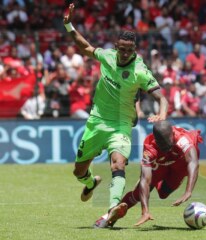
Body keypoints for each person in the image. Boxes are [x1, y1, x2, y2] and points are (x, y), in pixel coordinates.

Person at [63, 3, 168, 226]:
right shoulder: (107, 56)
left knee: (118, 164)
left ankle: (113, 208)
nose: (125, 53)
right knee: (79, 170)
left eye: (130, 50)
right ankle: (91, 182)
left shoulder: (140, 71)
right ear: (116, 46)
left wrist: (162, 114)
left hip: (121, 124)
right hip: (97, 122)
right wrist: (68, 24)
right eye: (122, 49)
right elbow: (84, 47)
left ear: (135, 49)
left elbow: (162, 97)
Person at [94, 121, 203, 228]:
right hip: (161, 163)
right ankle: (107, 217)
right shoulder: (150, 147)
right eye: (161, 143)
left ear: (173, 135)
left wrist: (188, 191)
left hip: (181, 163)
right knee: (140, 191)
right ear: (156, 139)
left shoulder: (183, 139)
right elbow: (145, 180)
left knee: (163, 194)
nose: (164, 146)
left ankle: (155, 180)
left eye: (166, 142)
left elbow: (193, 162)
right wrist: (145, 211)